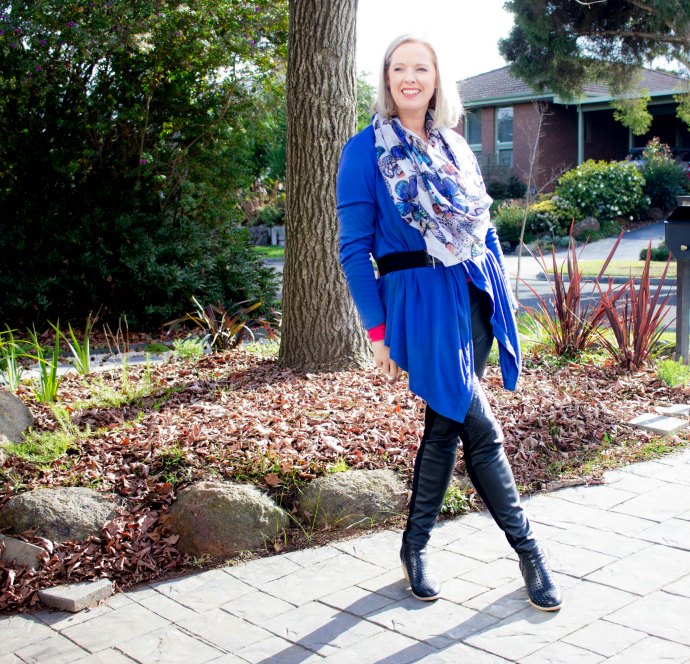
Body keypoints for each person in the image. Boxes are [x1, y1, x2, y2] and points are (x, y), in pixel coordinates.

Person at [336, 34, 562, 611]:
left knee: (445, 425)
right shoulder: (364, 151)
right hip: (420, 300)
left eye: (421, 68)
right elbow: (353, 249)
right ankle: (531, 553)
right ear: (386, 79)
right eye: (398, 68)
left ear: (437, 79)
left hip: (474, 295)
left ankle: (414, 548)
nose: (409, 77)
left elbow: (483, 223)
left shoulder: (456, 147)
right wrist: (378, 332)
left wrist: (499, 298)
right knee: (481, 429)